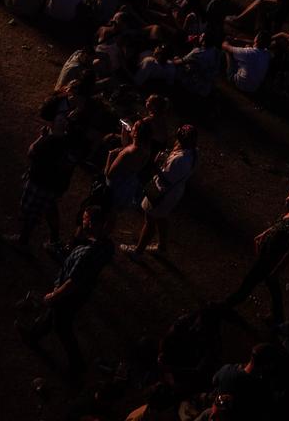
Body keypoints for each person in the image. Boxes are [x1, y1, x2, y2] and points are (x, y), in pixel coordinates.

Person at [18, 206, 114, 378]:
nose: (81, 221)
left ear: (91, 223)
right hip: (83, 293)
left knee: (62, 327)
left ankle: (77, 365)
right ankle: (33, 336)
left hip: (71, 295)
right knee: (52, 316)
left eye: (84, 218)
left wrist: (54, 295)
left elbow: (72, 282)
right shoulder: (107, 246)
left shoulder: (87, 253)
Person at [223, 188, 289, 324]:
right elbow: (280, 224)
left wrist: (277, 270)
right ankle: (278, 316)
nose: (287, 198)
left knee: (250, 281)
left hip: (271, 260)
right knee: (271, 283)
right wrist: (265, 233)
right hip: (267, 254)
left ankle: (227, 304)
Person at [122, 125, 199, 257]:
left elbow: (166, 179)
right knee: (161, 217)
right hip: (173, 192)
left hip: (162, 192)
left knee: (150, 220)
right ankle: (162, 247)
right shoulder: (194, 152)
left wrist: (157, 164)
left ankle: (137, 252)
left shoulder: (181, 159)